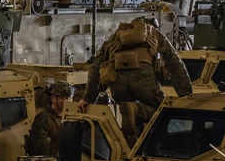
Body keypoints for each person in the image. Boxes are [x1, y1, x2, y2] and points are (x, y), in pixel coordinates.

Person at [78, 17, 193, 145]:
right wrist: (186, 94)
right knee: (161, 111)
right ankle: (137, 111)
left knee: (130, 116)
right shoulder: (155, 34)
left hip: (117, 81)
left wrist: (87, 99)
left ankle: (132, 142)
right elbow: (175, 63)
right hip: (142, 77)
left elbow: (95, 67)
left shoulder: (114, 38)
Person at [26, 82, 74, 156]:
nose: (66, 101)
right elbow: (38, 149)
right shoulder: (43, 119)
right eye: (61, 98)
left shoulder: (71, 116)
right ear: (52, 99)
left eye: (67, 98)